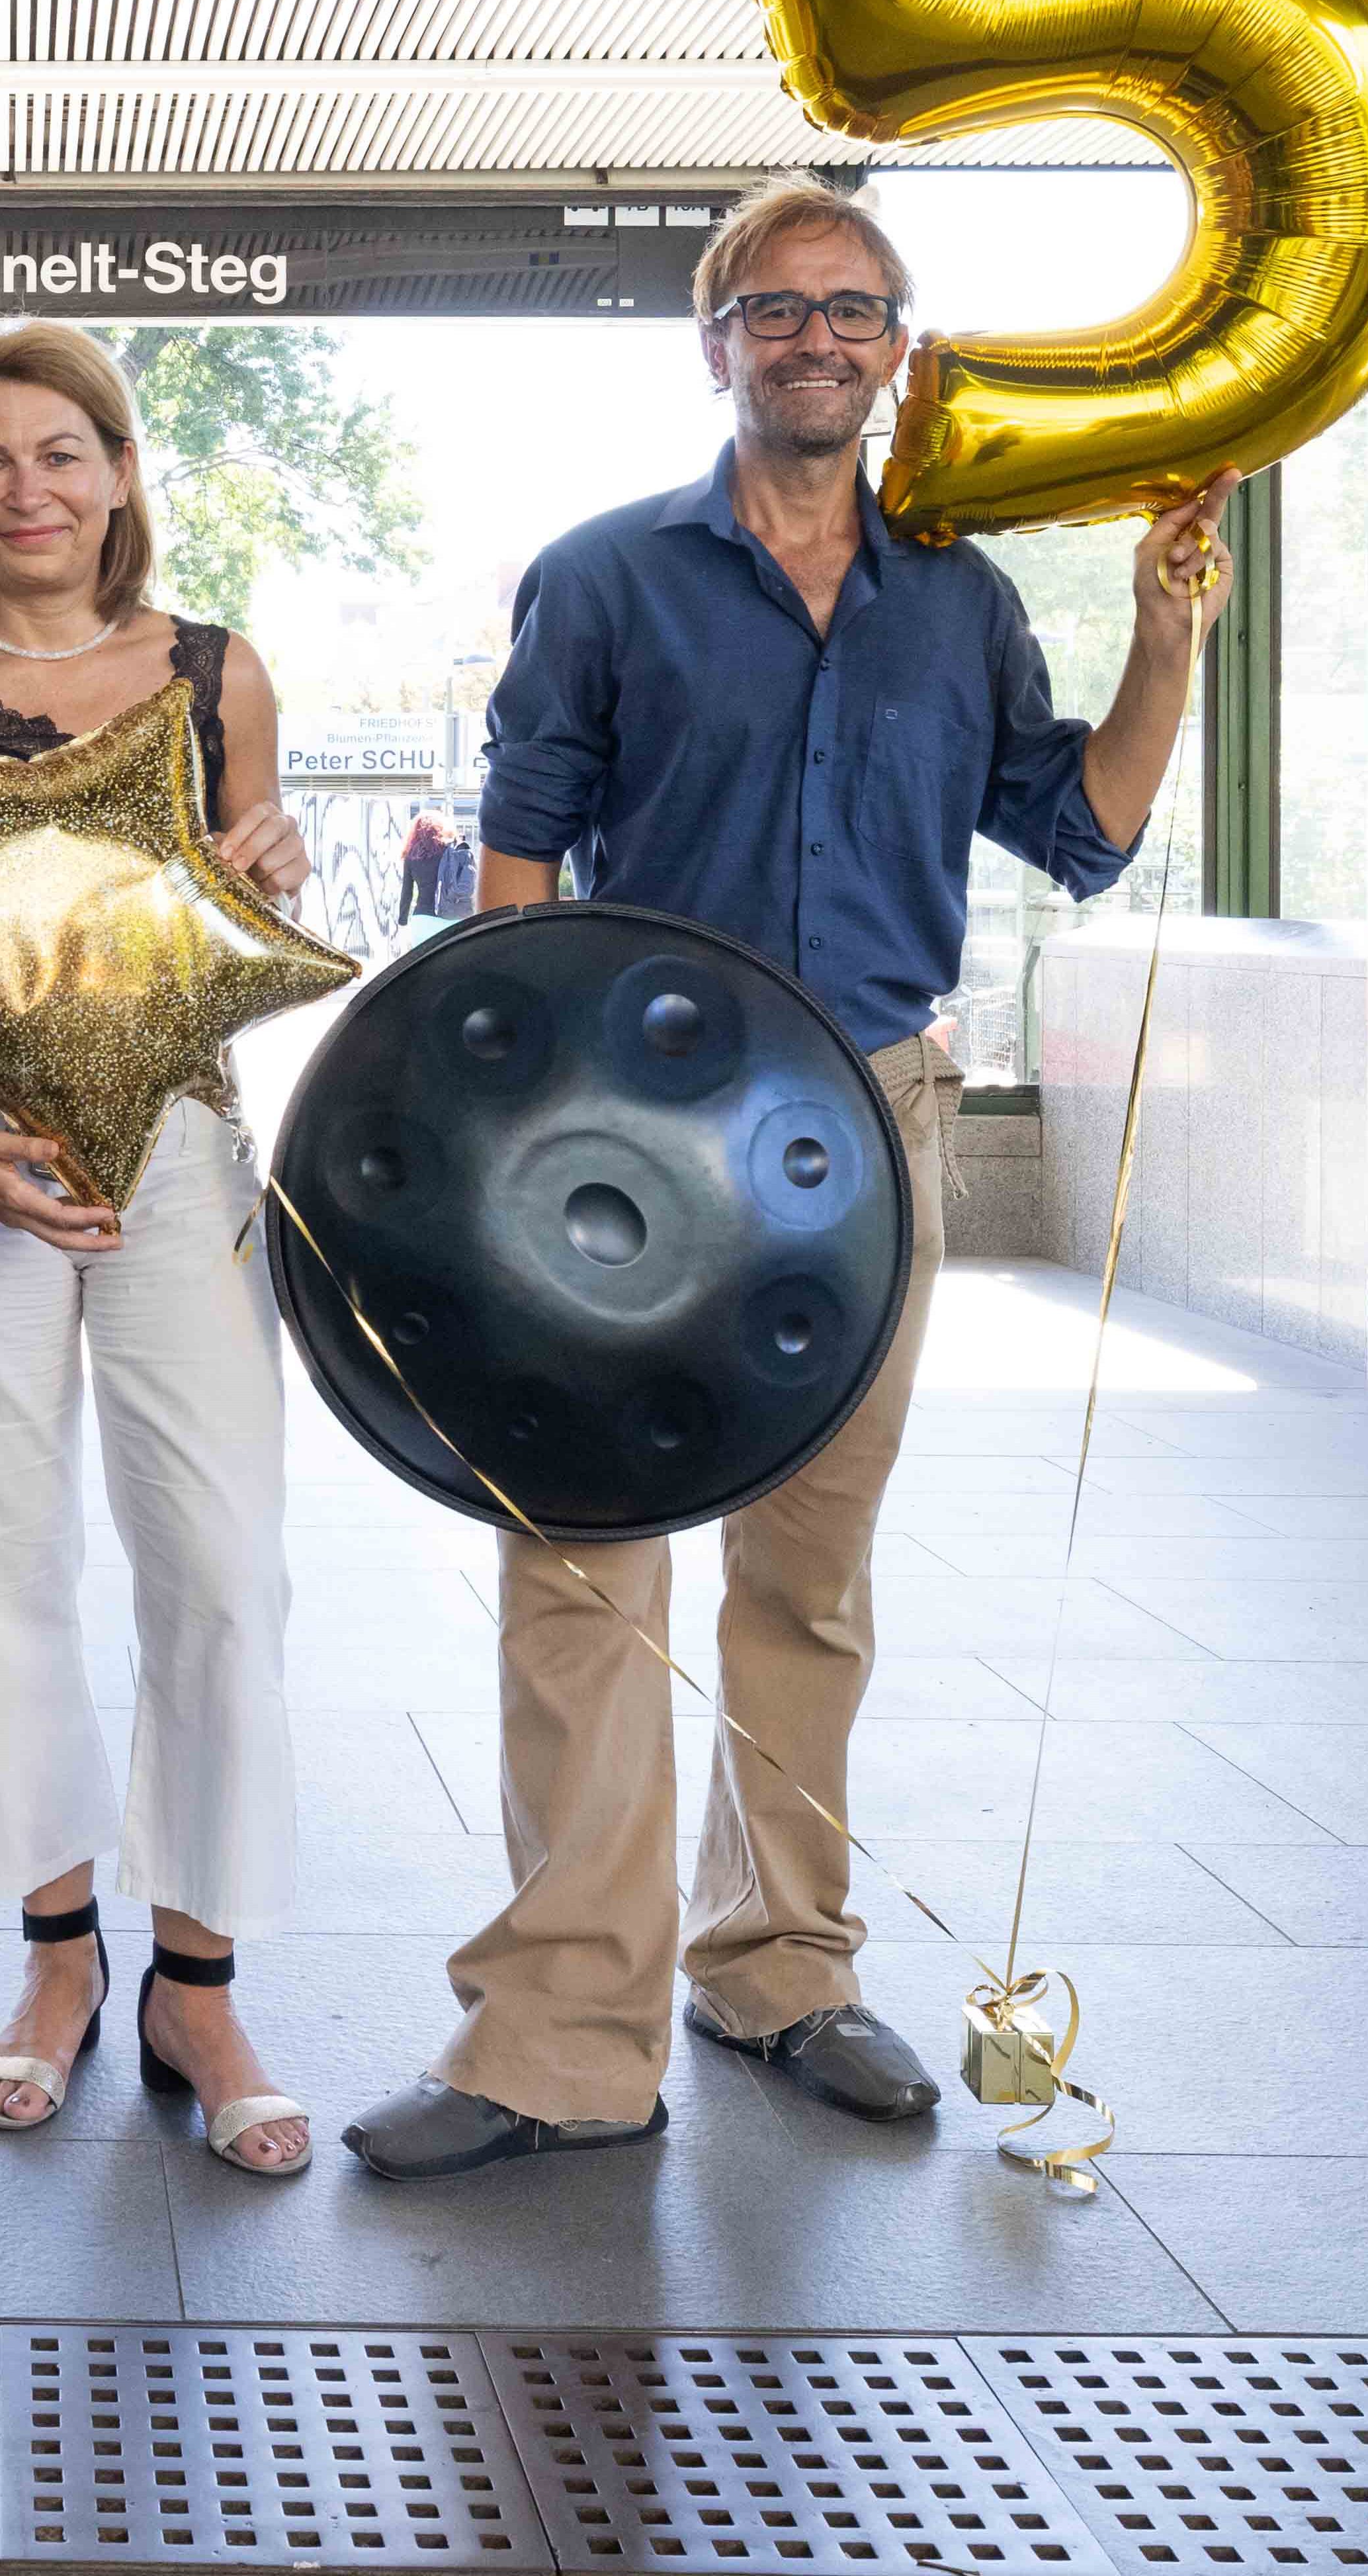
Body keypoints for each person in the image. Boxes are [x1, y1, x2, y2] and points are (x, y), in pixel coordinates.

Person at [346, 175, 1234, 2180]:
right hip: (620, 1147)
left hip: (876, 1125)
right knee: (579, 1566)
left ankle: (777, 1966)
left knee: (807, 1576)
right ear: (715, 340)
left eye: (855, 308)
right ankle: (562, 2032)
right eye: (776, 306)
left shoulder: (961, 595)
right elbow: (516, 863)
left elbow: (1076, 835)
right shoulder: (602, 578)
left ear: (896, 348)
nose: (816, 336)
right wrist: (477, 1133)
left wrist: (1165, 641)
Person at [0, 322, 317, 2180]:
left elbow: (215, 968)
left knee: (218, 1562)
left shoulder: (216, 675)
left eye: (58, 451)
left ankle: (195, 1982)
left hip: (179, 1155)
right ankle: (54, 1963)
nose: (22, 489)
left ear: (118, 470)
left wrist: (258, 900)